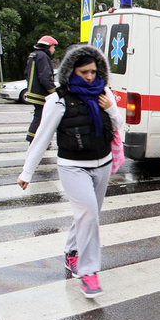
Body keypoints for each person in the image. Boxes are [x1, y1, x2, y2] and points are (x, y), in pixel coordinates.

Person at [17, 45, 123, 298]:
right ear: (71, 70)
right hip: (73, 166)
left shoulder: (104, 92)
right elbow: (42, 137)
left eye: (94, 72)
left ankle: (71, 252)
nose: (89, 76)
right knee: (88, 215)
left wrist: (110, 107)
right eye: (84, 71)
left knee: (89, 214)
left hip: (103, 164)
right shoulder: (58, 99)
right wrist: (27, 173)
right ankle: (88, 272)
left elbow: (119, 125)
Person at [24, 35, 58, 143]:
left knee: (40, 116)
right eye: (53, 47)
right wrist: (55, 92)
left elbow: (26, 74)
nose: (54, 49)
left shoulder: (33, 55)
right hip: (40, 94)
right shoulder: (43, 56)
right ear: (48, 46)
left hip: (33, 92)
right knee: (40, 117)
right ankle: (34, 140)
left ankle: (35, 139)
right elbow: (45, 78)